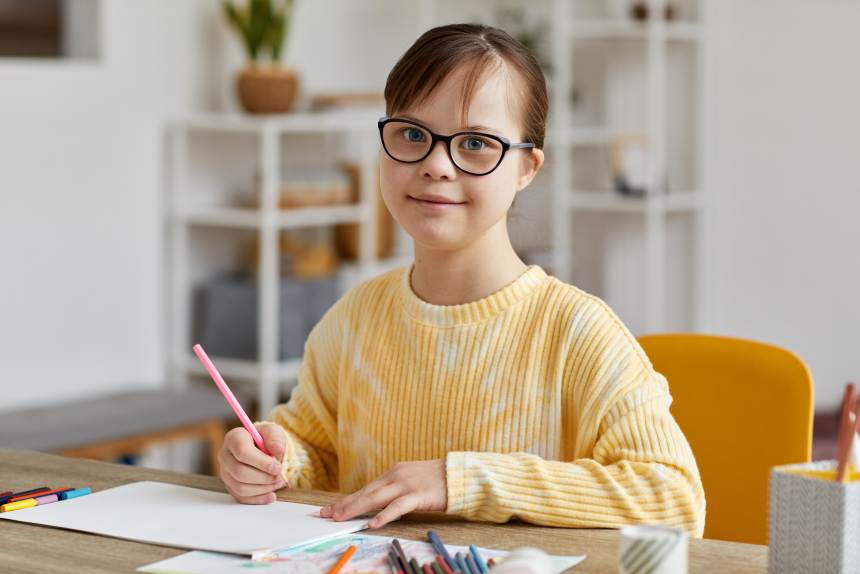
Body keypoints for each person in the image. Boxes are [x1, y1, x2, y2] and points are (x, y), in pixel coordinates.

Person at [217, 23, 706, 536]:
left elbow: (673, 498)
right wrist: (271, 460)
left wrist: (466, 481)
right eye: (411, 134)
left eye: (475, 143)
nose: (435, 164)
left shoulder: (578, 333)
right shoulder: (352, 319)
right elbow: (320, 457)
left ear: (526, 168)